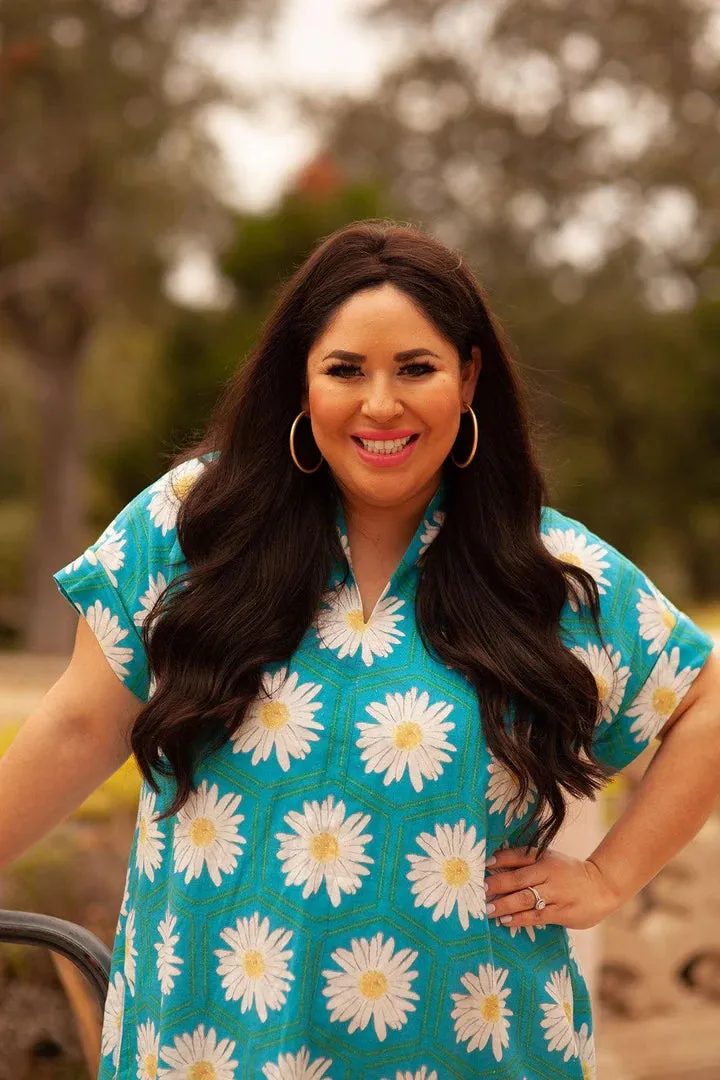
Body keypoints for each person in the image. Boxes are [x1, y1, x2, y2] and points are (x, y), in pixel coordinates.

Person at [3, 219, 718, 1080]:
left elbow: (706, 703)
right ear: (302, 385)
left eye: (415, 368)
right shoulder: (193, 527)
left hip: (472, 1051)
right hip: (207, 1044)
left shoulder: (553, 574)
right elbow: (81, 723)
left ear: (469, 378)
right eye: (346, 370)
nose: (381, 404)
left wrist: (609, 878)